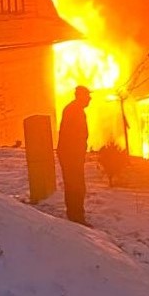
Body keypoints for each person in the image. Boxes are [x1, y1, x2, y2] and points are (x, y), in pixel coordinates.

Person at [56, 85, 91, 224]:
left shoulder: (75, 110)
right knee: (75, 185)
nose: (90, 99)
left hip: (72, 153)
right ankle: (76, 216)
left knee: (75, 184)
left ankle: (76, 214)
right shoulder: (74, 110)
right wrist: (76, 152)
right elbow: (73, 135)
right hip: (71, 154)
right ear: (80, 96)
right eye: (88, 96)